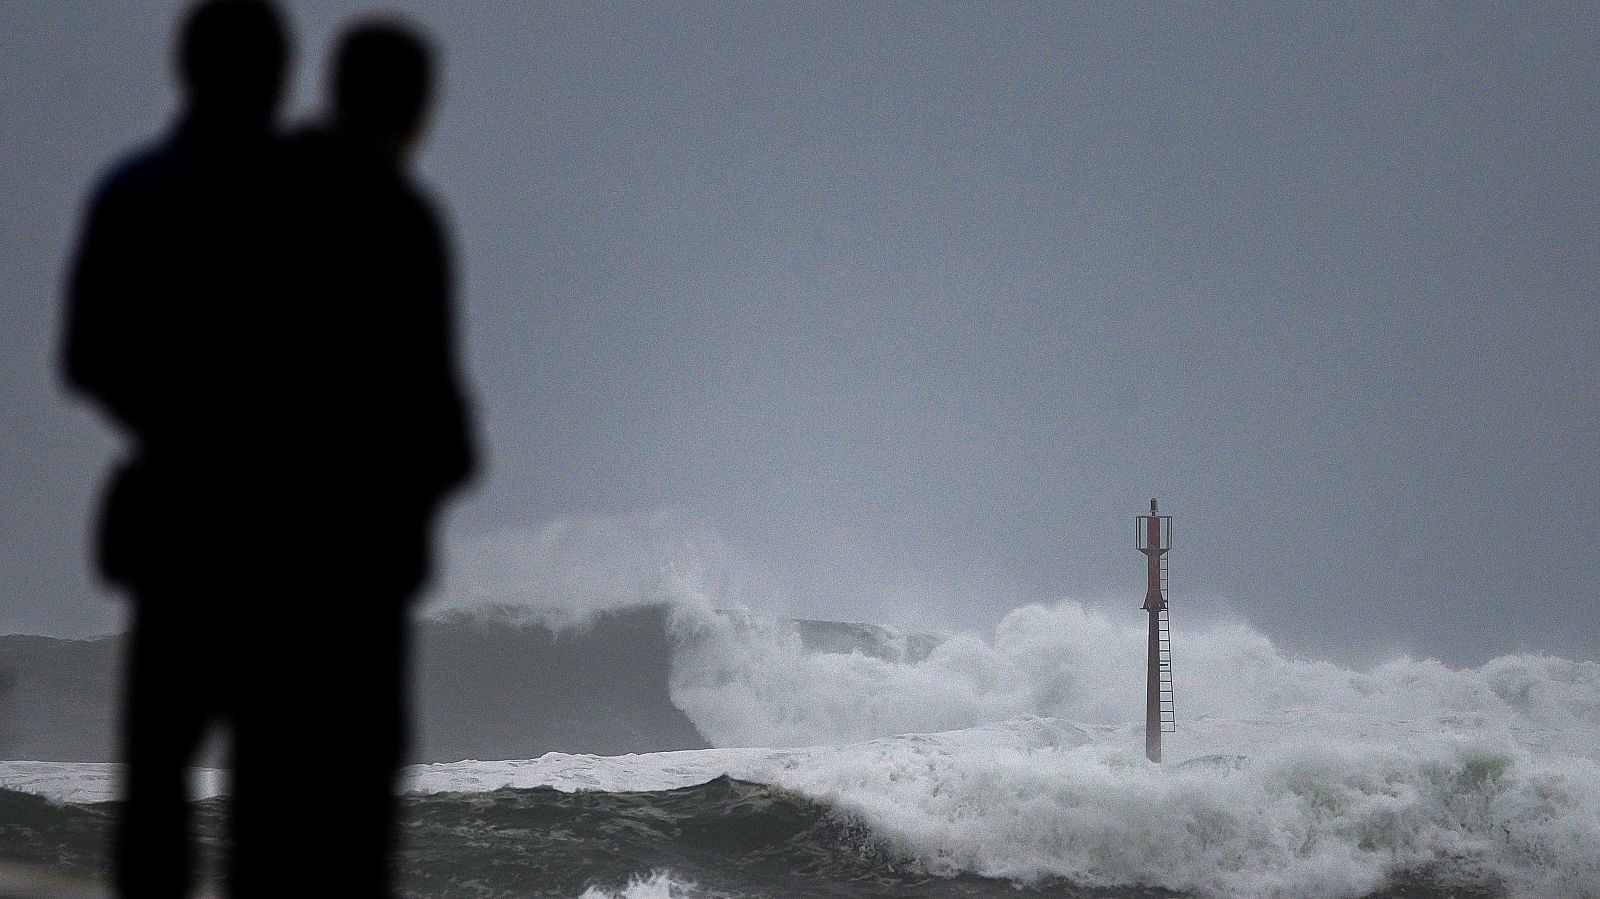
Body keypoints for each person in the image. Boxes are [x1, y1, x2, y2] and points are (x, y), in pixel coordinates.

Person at [62, 2, 474, 894]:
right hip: (321, 562)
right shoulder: (377, 212)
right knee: (295, 814)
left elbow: (91, 359)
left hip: (179, 529)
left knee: (159, 789)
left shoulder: (165, 188)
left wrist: (179, 431)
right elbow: (435, 429)